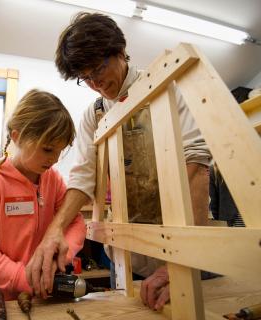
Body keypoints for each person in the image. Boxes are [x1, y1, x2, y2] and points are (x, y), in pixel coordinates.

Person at [25, 12, 212, 311]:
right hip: (127, 255)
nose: (96, 82)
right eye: (85, 77)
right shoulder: (94, 114)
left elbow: (197, 166)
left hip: (184, 249)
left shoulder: (167, 88)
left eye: (99, 68)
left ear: (121, 51)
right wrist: (54, 231)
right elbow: (83, 179)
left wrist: (184, 262)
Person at [0, 89, 86, 303]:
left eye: (59, 151)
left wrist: (57, 259)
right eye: (47, 149)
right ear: (17, 136)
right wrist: (28, 278)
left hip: (34, 295)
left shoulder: (52, 179)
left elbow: (75, 223)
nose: (54, 159)